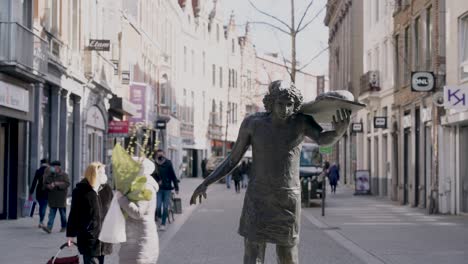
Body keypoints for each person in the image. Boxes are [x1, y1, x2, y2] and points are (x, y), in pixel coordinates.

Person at [191, 80, 350, 264]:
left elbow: (323, 139)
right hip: (258, 197)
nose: (285, 109)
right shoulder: (253, 123)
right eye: (280, 104)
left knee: (288, 255)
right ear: (271, 103)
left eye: (290, 104)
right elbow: (233, 159)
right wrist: (206, 182)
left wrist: (338, 132)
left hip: (287, 199)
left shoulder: (301, 121)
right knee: (253, 254)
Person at [66, 162, 113, 264]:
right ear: (93, 174)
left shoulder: (107, 190)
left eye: (104, 172)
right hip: (88, 237)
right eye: (101, 173)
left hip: (104, 237)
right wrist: (70, 234)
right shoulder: (80, 191)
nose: (104, 175)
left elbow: (113, 210)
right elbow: (74, 214)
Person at [118, 158, 159, 264]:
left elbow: (138, 213)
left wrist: (121, 199)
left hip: (140, 240)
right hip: (136, 238)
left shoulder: (145, 186)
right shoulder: (140, 184)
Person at [152, 149, 179, 231]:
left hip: (167, 188)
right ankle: (159, 218)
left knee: (165, 206)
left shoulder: (168, 163)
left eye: (162, 155)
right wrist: (157, 181)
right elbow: (152, 176)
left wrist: (176, 187)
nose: (160, 156)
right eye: (158, 155)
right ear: (156, 155)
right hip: (158, 189)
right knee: (158, 206)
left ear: (164, 155)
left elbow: (173, 176)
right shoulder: (154, 164)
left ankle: (163, 223)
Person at [42, 160, 70, 234]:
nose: (51, 168)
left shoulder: (64, 175)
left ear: (57, 167)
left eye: (52, 167)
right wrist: (48, 186)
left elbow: (67, 183)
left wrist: (57, 184)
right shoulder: (50, 175)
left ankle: (64, 226)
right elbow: (45, 184)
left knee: (63, 215)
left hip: (61, 198)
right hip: (52, 198)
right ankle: (49, 228)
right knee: (51, 214)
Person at [29, 159, 49, 228]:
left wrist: (31, 191)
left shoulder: (38, 171)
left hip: (39, 190)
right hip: (47, 190)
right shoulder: (50, 171)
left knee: (41, 206)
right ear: (47, 163)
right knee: (44, 206)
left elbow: (34, 181)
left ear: (41, 163)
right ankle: (41, 221)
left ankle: (41, 221)